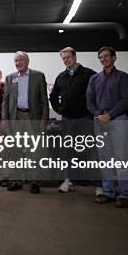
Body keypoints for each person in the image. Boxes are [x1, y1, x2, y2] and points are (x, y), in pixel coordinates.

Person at [86, 46, 128, 208]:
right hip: (99, 121)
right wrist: (100, 115)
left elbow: (125, 100)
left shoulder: (122, 77)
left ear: (114, 58)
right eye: (101, 57)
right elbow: (89, 101)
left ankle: (125, 194)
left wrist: (109, 115)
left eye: (106, 56)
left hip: (118, 119)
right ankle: (108, 192)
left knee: (121, 157)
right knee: (104, 159)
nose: (103, 59)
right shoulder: (94, 79)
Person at [49, 47, 98, 194]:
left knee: (91, 151)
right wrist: (59, 108)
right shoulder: (61, 77)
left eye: (68, 57)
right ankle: (69, 180)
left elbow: (98, 93)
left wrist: (95, 111)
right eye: (63, 58)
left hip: (86, 117)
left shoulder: (89, 74)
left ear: (75, 56)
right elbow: (53, 96)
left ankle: (99, 185)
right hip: (67, 119)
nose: (66, 60)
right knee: (68, 151)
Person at [1, 51, 49, 193]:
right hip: (16, 117)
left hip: (32, 117)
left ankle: (35, 181)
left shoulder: (38, 76)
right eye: (16, 61)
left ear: (27, 61)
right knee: (15, 150)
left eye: (20, 60)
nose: (18, 63)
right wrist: (4, 119)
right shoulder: (10, 78)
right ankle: (17, 180)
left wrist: (44, 119)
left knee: (35, 151)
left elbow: (44, 100)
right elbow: (5, 101)